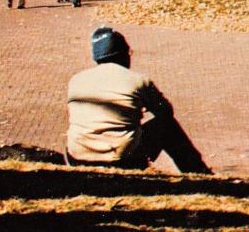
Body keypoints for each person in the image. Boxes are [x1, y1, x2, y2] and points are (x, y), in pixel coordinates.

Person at [66, 27, 212, 174]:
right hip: (121, 158)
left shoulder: (76, 80)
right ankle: (199, 173)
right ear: (124, 54)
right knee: (167, 126)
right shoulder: (138, 81)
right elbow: (166, 111)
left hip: (78, 156)